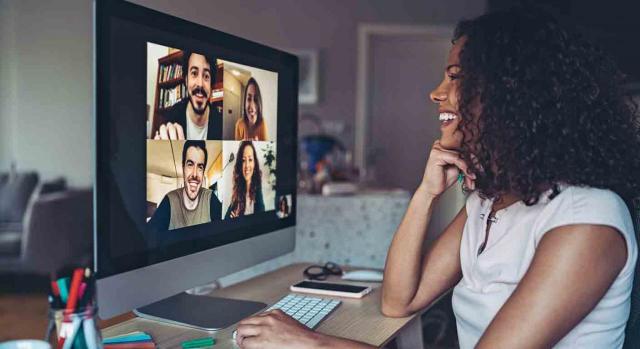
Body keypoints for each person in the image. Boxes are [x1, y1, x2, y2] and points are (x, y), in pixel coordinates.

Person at [233, 7, 640, 349]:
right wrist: (426, 193)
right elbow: (399, 301)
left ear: (509, 92)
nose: (436, 92)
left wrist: (313, 343)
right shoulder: (489, 202)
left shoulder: (587, 219)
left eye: (456, 78)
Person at [148, 140, 222, 231]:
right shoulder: (169, 201)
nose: (194, 174)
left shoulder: (210, 198)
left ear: (203, 172)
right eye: (190, 164)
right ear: (183, 168)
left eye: (200, 167)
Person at [153, 51, 222, 140]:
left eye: (206, 76)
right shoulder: (171, 117)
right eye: (194, 73)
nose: (200, 84)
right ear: (186, 80)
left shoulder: (220, 123)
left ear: (211, 84)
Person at [225, 141, 265, 218]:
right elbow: (226, 218)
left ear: (254, 163)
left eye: (250, 159)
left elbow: (261, 220)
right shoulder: (237, 191)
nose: (247, 165)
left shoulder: (258, 189)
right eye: (243, 160)